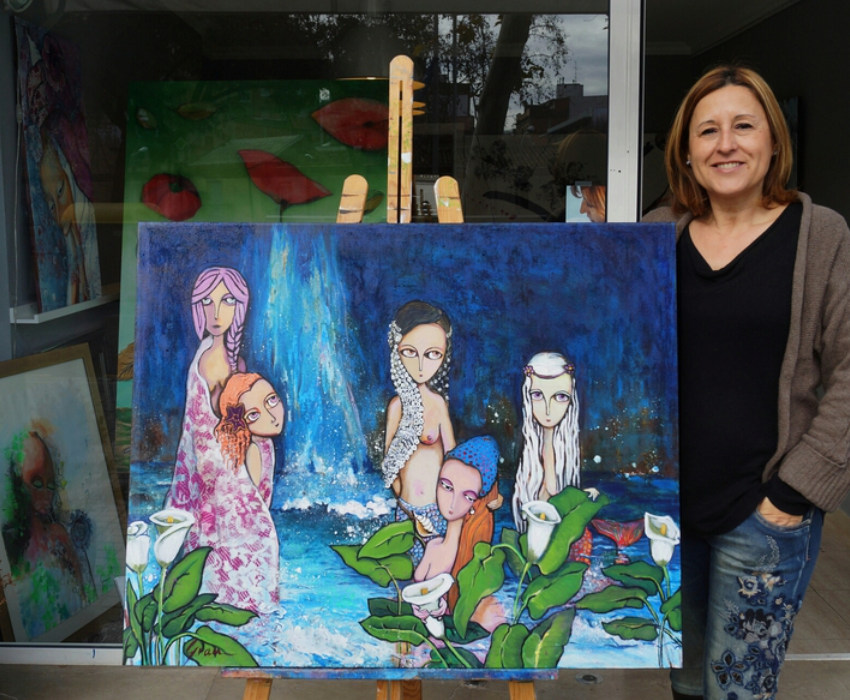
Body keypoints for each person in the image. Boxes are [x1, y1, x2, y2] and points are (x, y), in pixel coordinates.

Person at [644, 65, 850, 700]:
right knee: (686, 685)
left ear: (773, 141)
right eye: (707, 130)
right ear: (686, 150)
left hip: (763, 515)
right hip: (669, 515)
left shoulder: (820, 235)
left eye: (743, 126)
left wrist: (795, 491)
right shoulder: (657, 233)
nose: (725, 144)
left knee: (740, 693)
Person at [200, 372, 283, 611]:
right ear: (241, 421)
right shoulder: (254, 449)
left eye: (272, 400)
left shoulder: (262, 444)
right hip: (249, 539)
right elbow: (252, 504)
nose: (271, 416)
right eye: (253, 414)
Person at [382, 300, 456, 559]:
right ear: (396, 352)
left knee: (439, 573)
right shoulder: (397, 407)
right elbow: (389, 466)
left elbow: (453, 459)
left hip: (439, 509)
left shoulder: (438, 404)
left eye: (433, 354)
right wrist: (409, 512)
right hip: (407, 512)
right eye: (409, 352)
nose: (421, 366)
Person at [511, 352, 598, 534]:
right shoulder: (532, 455)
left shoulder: (563, 449)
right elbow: (553, 488)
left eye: (560, 397)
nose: (548, 410)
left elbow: (555, 489)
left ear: (571, 400)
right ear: (527, 397)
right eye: (537, 395)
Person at [414, 436, 499, 584]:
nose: (453, 504)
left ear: (475, 504)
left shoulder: (473, 562)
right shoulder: (434, 544)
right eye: (446, 487)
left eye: (468, 497)